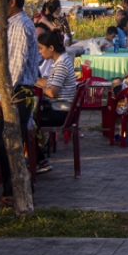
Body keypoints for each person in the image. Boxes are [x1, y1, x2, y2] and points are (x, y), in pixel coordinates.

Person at [0, 0, 42, 207]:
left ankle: (16, 192)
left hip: (17, 92)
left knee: (9, 140)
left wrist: (2, 95)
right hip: (17, 92)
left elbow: (15, 66)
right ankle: (13, 189)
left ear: (11, 2)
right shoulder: (14, 24)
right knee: (7, 140)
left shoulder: (18, 25)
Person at [34, 30, 77, 170]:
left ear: (51, 48)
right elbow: (49, 82)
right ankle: (38, 157)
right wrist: (34, 80)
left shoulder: (61, 64)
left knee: (24, 122)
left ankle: (40, 160)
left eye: (41, 48)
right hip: (61, 109)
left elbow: (52, 92)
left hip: (61, 112)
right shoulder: (60, 60)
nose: (40, 52)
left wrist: (35, 88)